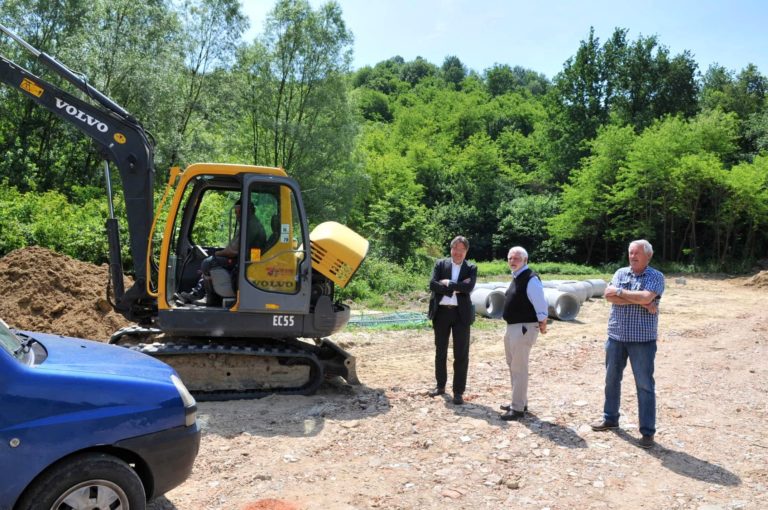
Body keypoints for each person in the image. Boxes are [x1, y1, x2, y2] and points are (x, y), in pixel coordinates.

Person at [591, 239, 665, 449]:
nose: (632, 256)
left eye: (637, 253)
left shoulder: (656, 276)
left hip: (642, 340)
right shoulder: (620, 273)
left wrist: (621, 293)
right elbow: (608, 296)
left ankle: (647, 433)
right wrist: (641, 301)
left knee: (644, 385)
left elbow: (645, 296)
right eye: (630, 253)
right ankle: (610, 418)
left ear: (648, 256)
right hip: (616, 337)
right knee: (611, 380)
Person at [499, 246, 548, 421]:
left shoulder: (530, 278)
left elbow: (541, 303)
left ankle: (518, 408)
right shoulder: (516, 277)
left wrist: (543, 322)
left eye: (517, 258)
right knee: (513, 365)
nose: (512, 261)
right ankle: (518, 401)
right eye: (510, 258)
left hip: (523, 328)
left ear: (525, 260)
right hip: (513, 327)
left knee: (519, 367)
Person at [427, 236, 477, 405]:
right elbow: (432, 284)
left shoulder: (471, 267)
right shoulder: (441, 264)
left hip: (461, 315)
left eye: (462, 249)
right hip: (441, 313)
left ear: (466, 251)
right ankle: (440, 386)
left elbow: (468, 288)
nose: (458, 252)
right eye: (455, 249)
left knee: (461, 355)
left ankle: (458, 392)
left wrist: (448, 283)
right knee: (440, 351)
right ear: (451, 249)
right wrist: (456, 287)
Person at [179, 200, 243, 306]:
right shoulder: (247, 224)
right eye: (235, 213)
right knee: (210, 261)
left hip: (240, 261)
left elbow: (232, 251)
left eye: (238, 212)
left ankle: (207, 297)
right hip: (240, 259)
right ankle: (196, 294)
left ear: (248, 210)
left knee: (208, 263)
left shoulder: (249, 226)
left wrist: (217, 254)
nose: (237, 216)